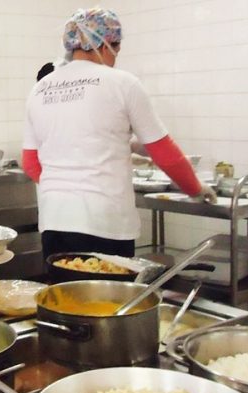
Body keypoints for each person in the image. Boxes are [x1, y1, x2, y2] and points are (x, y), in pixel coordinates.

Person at [21, 8, 216, 260]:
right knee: (110, 298)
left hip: (54, 222)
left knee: (63, 296)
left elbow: (30, 162)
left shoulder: (40, 89)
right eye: (117, 50)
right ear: (104, 44)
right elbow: (165, 153)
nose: (115, 58)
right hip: (105, 224)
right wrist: (196, 188)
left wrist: (62, 189)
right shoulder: (123, 83)